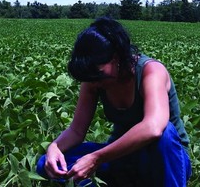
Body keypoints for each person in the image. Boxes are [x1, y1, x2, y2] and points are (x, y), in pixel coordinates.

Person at [36, 17, 191, 186]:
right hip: (121, 156)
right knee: (47, 163)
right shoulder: (94, 79)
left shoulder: (151, 71)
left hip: (163, 159)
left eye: (99, 72)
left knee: (165, 133)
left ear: (116, 57)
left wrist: (97, 158)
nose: (94, 81)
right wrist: (54, 148)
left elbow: (153, 128)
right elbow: (76, 131)